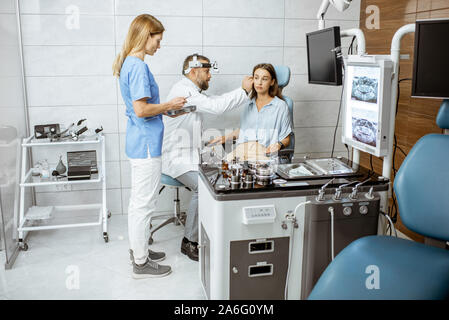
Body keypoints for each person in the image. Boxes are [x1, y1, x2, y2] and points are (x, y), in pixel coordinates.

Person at [112, 14, 187, 278]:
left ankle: (139, 249)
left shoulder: (130, 64)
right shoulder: (138, 66)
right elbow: (141, 109)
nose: (160, 45)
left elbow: (142, 110)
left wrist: (168, 111)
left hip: (139, 141)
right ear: (146, 36)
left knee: (138, 203)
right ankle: (141, 263)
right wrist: (169, 105)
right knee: (143, 205)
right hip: (146, 145)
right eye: (158, 39)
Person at [162, 54, 254, 261]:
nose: (210, 76)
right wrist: (242, 90)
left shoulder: (191, 91)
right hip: (176, 158)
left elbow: (214, 101)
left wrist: (245, 93)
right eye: (207, 71)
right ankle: (189, 241)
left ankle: (218, 228)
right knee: (202, 188)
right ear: (193, 71)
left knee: (225, 173)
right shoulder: (183, 91)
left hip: (190, 154)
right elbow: (217, 107)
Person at [209, 63, 292, 157]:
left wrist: (278, 145)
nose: (259, 82)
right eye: (256, 78)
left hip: (264, 156)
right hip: (243, 152)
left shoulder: (280, 106)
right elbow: (244, 130)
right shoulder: (248, 103)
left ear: (272, 82)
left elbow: (286, 138)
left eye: (264, 79)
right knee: (219, 166)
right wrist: (225, 138)